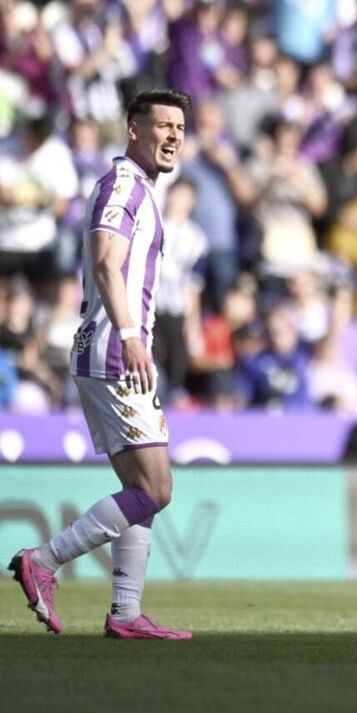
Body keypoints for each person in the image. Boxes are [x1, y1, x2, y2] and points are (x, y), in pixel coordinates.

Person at [7, 89, 194, 641]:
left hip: (110, 347)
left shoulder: (141, 189)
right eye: (162, 125)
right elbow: (109, 262)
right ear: (133, 129)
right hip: (115, 349)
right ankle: (42, 559)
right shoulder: (123, 185)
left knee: (140, 490)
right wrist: (134, 337)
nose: (173, 136)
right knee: (156, 489)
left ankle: (125, 613)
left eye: (179, 127)